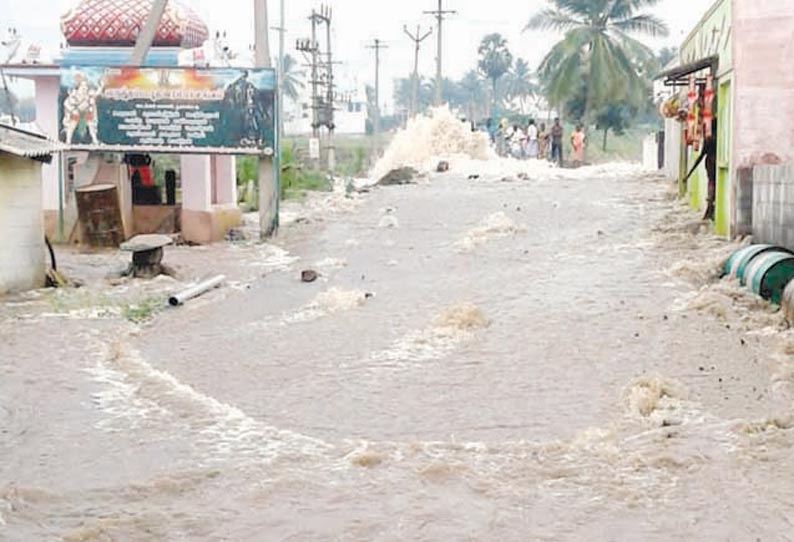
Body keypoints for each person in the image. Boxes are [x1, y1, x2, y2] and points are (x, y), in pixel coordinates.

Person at [684, 118, 718, 221]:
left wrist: (688, 175)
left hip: (710, 163)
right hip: (715, 162)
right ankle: (711, 207)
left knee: (711, 183)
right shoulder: (720, 138)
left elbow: (700, 157)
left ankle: (710, 207)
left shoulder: (708, 140)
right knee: (713, 184)